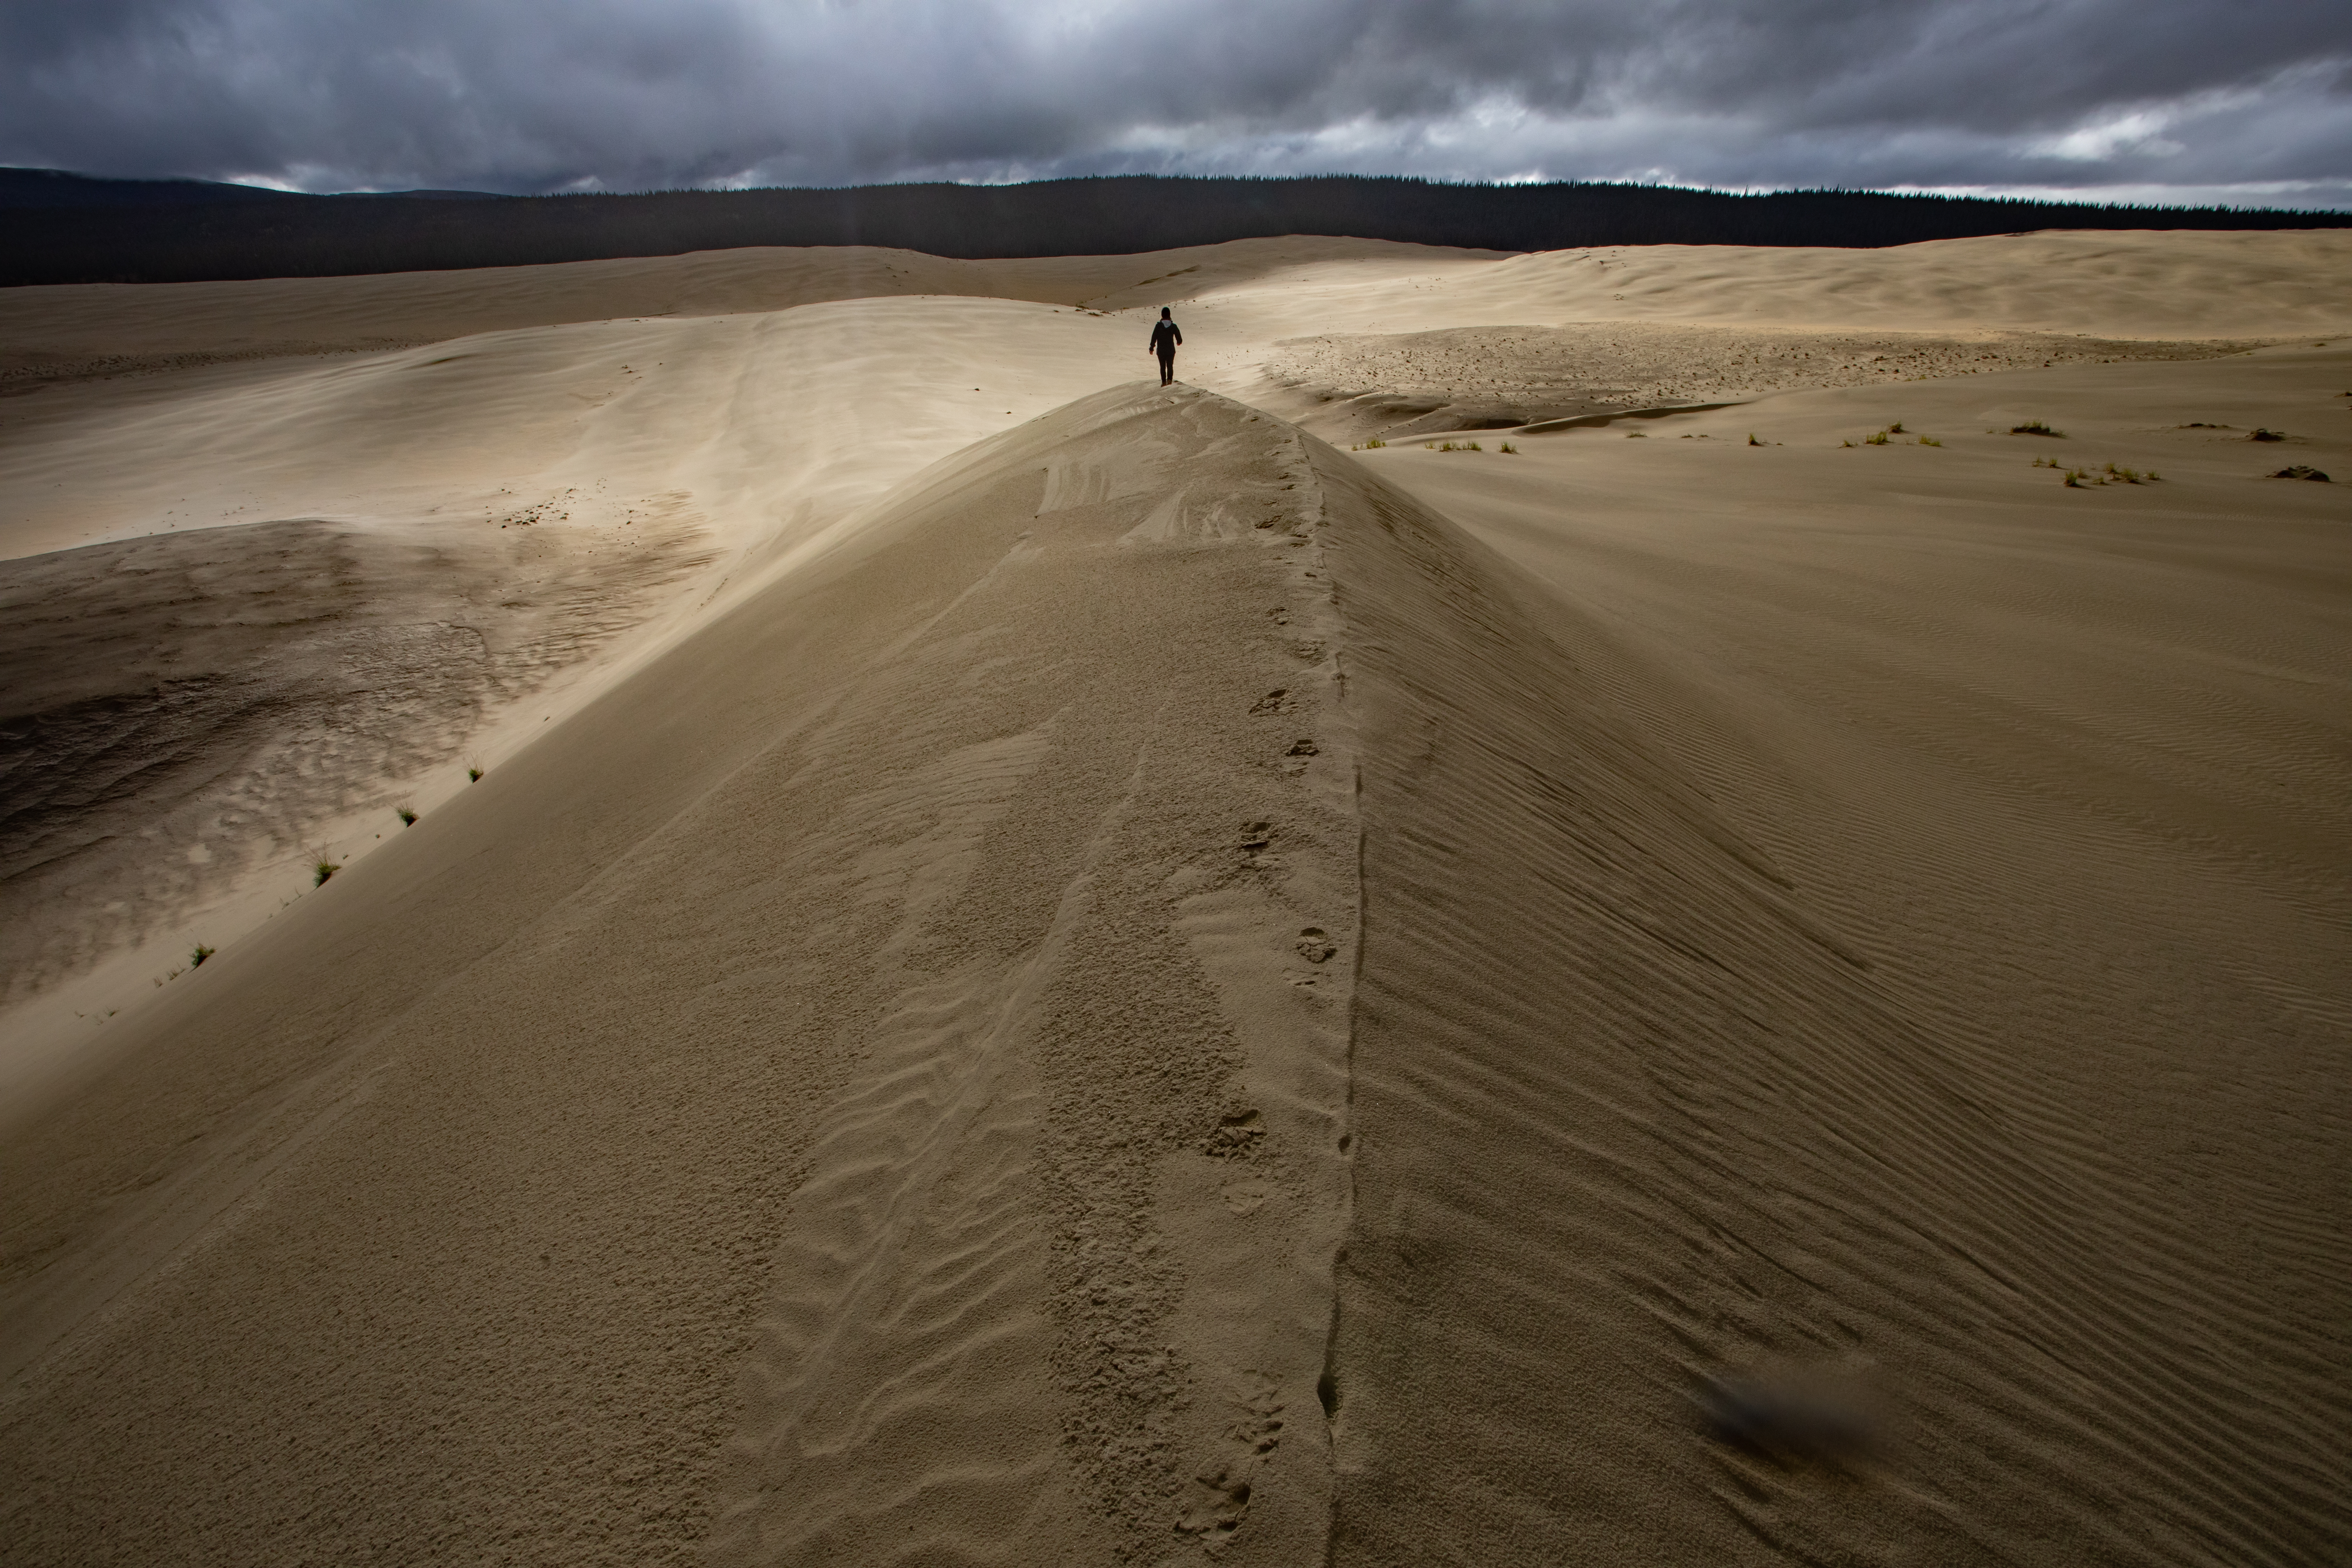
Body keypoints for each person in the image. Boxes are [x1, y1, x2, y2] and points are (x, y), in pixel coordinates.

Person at [1148, 307, 1183, 386]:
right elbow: (1180, 339)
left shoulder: (1158, 326)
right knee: (1170, 366)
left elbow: (1154, 338)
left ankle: (1164, 382)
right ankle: (1170, 381)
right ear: (1170, 315)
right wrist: (1179, 342)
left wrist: (1151, 348)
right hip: (1171, 350)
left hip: (1161, 351)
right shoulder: (1173, 326)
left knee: (1162, 367)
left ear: (1162, 315)